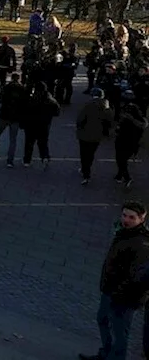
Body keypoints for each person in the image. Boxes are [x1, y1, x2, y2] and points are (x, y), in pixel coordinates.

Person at [79, 202, 149, 360]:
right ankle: (106, 353)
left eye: (132, 217)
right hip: (111, 289)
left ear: (141, 219)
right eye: (124, 215)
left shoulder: (142, 244)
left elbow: (137, 277)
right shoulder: (124, 233)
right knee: (103, 320)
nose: (126, 220)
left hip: (124, 297)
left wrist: (119, 293)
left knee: (119, 333)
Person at [0, 71, 28, 167]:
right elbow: (25, 103)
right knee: (13, 139)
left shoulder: (6, 87)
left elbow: (0, 99)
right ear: (19, 79)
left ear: (11, 78)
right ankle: (10, 160)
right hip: (16, 117)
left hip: (4, 114)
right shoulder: (23, 89)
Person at [78, 88, 116, 185]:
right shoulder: (106, 107)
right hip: (97, 135)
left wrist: (80, 128)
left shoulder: (88, 105)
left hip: (84, 134)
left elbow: (80, 119)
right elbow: (111, 121)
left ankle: (85, 172)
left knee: (84, 153)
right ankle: (87, 169)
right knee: (91, 153)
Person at [21, 82, 60, 169]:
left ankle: (27, 161)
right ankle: (45, 157)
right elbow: (57, 112)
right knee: (43, 142)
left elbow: (24, 111)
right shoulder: (50, 100)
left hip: (31, 125)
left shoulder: (32, 99)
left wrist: (23, 122)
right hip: (44, 125)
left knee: (29, 143)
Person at [114, 92, 147, 187]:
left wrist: (129, 119)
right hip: (129, 142)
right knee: (122, 159)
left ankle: (127, 177)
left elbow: (142, 125)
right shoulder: (137, 120)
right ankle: (119, 176)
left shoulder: (130, 117)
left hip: (126, 141)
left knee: (121, 160)